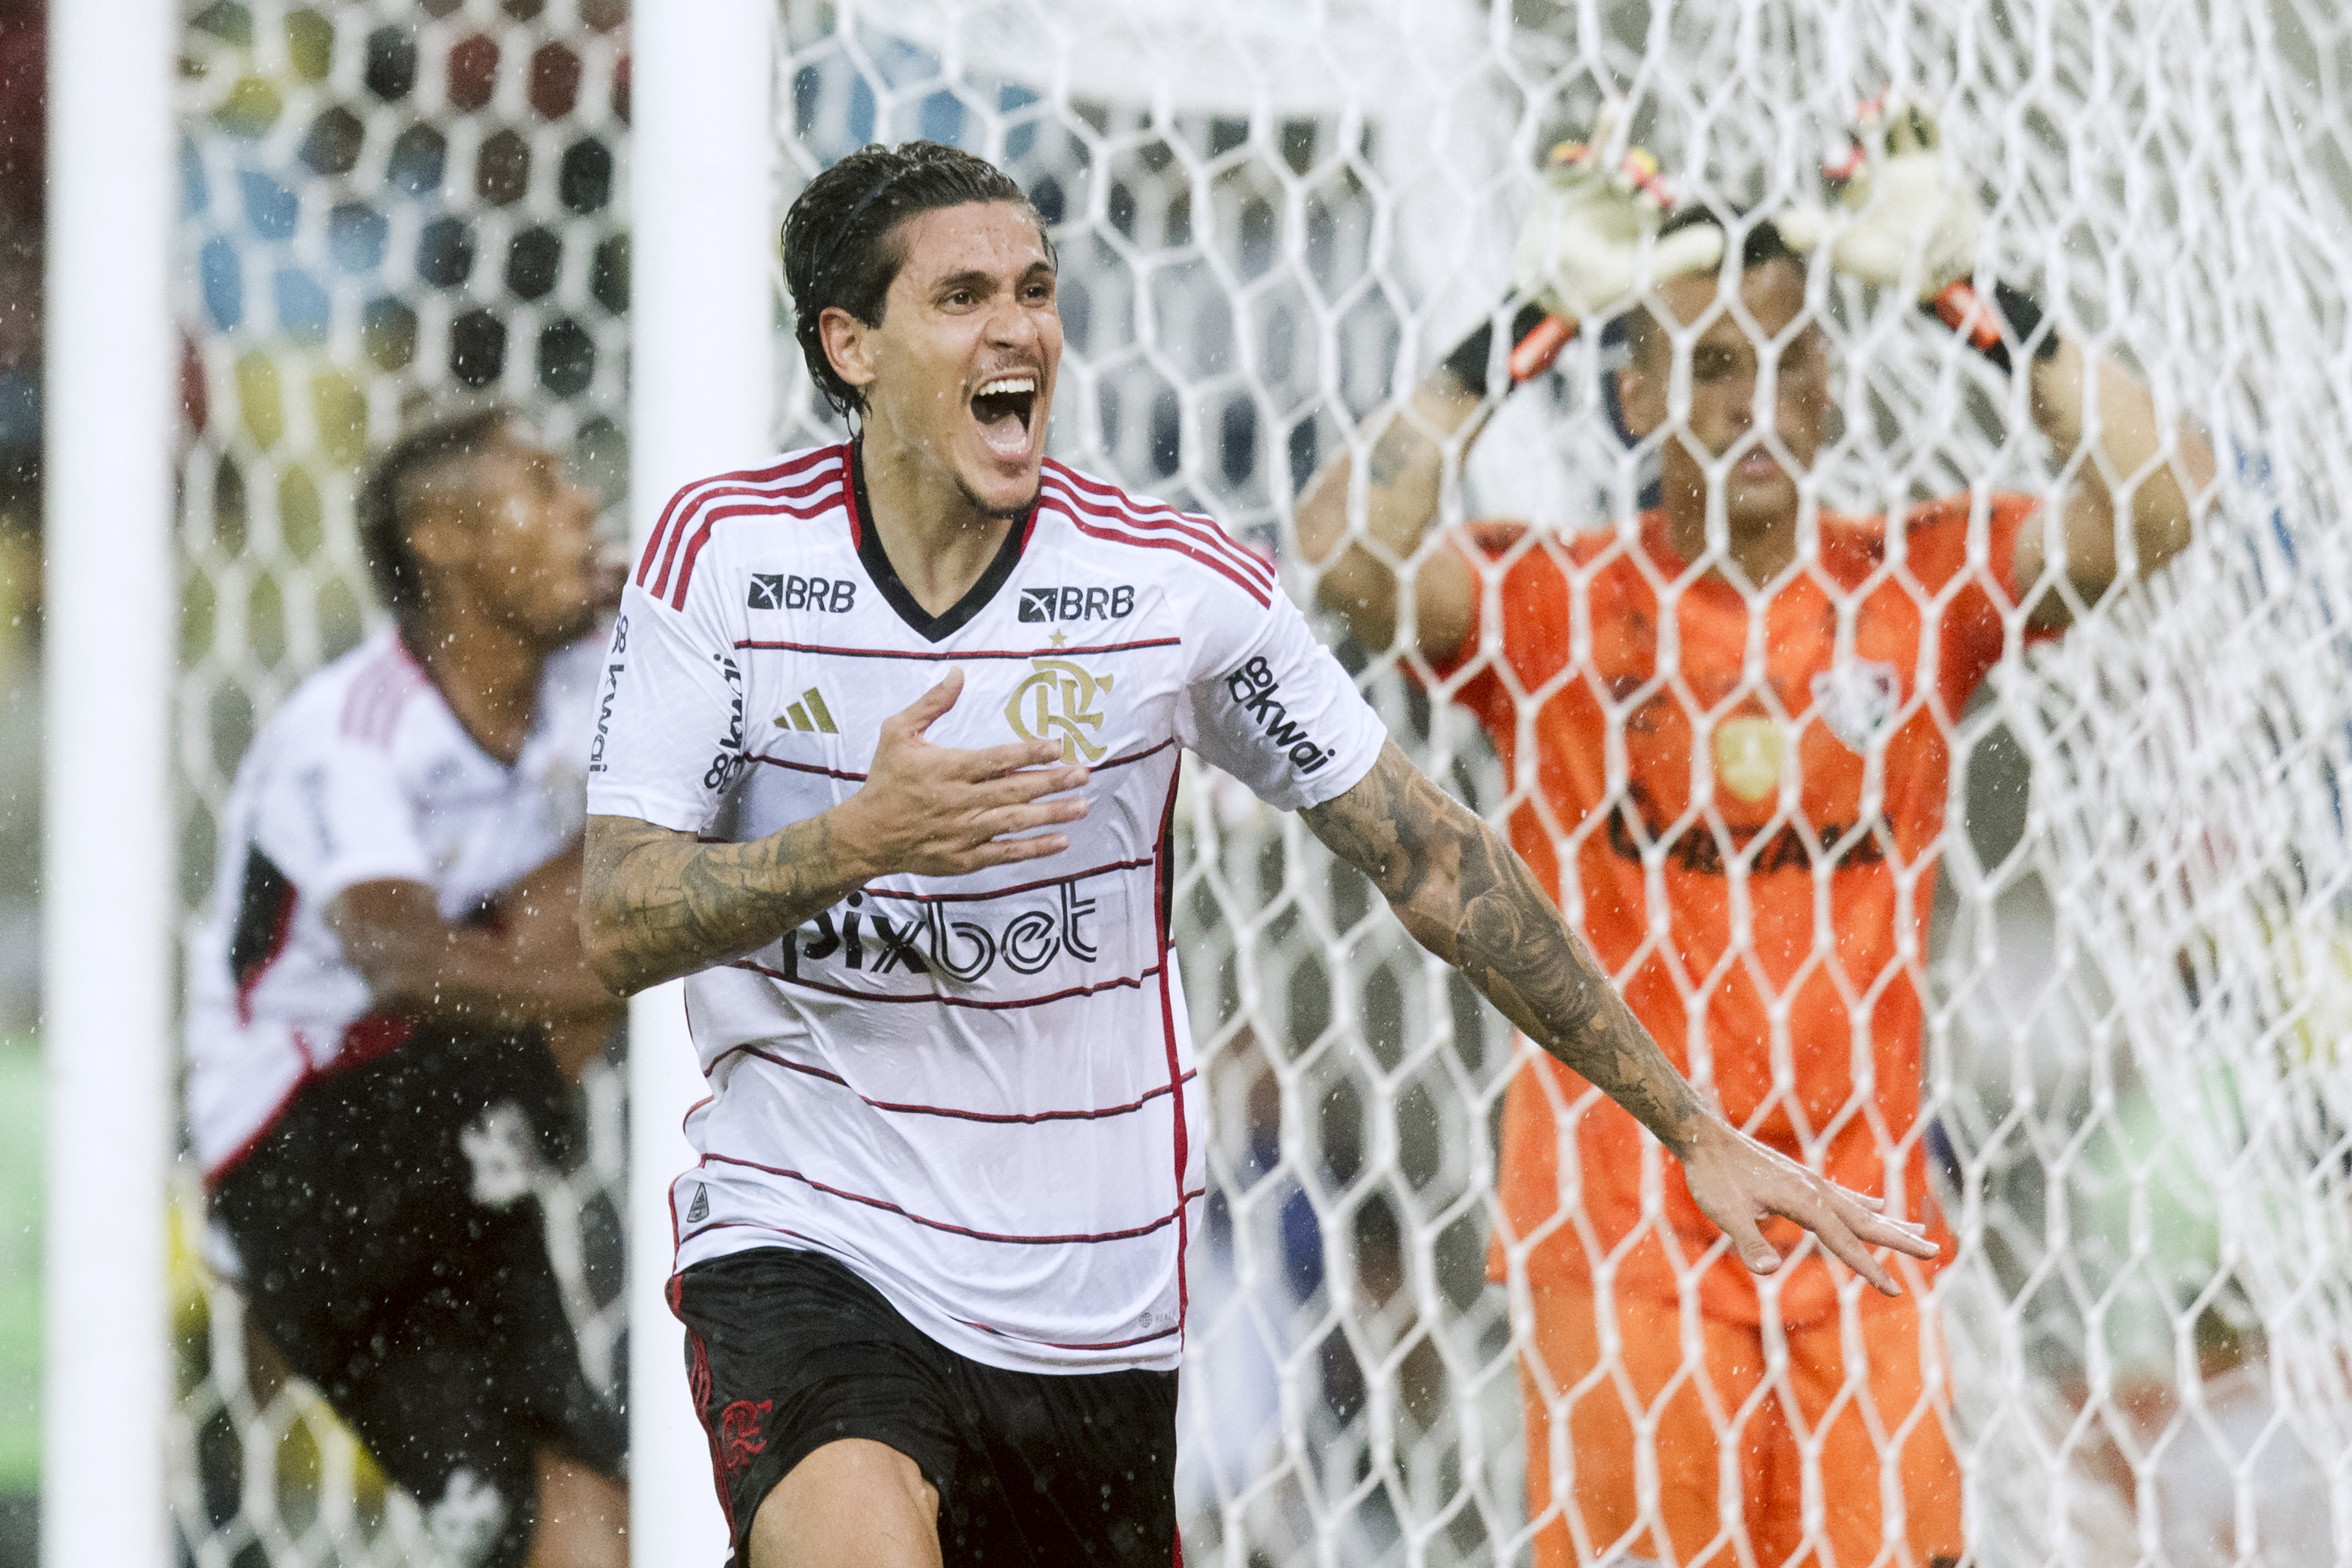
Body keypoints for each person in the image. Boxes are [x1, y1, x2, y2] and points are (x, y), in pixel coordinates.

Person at [574, 139, 1936, 1568]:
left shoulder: (1169, 586)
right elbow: (619, 914)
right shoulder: (722, 558)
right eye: (963, 295)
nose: (1019, 328)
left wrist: (1691, 1127)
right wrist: (856, 842)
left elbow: (1433, 860)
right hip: (813, 1239)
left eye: (1035, 289)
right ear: (847, 345)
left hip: (1090, 1304)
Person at [1296, 104, 2213, 1567]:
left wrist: (1972, 302)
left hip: (1857, 1232)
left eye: (1789, 365)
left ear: (1833, 395)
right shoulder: (1559, 602)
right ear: (1638, 393)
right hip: (1621, 1235)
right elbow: (1344, 552)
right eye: (1712, 366)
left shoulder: (1912, 586)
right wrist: (1517, 327)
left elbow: (2162, 500)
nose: (1752, 405)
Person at [185, 407, 630, 1568]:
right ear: (441, 540)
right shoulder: (348, 728)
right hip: (304, 1139)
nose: (580, 505)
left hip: (449, 1130)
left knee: (568, 1503)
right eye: (539, 486)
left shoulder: (591, 667)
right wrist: (644, 955)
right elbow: (398, 957)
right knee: (629, 886)